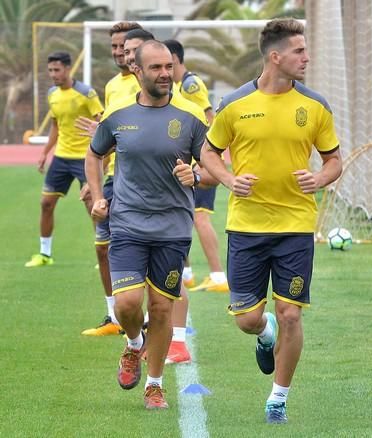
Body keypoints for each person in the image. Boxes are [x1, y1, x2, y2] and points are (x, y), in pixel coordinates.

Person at [200, 18, 342, 424]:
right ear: (275, 57)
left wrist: (318, 178)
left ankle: (277, 398)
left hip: (296, 226)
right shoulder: (234, 105)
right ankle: (264, 336)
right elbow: (209, 153)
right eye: (299, 51)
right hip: (246, 227)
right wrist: (228, 178)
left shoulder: (315, 106)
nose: (307, 57)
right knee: (247, 319)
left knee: (291, 314)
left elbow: (334, 160)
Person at [85, 40, 208, 409]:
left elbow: (216, 166)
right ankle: (134, 342)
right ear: (137, 71)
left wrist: (197, 174)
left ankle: (154, 384)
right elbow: (93, 154)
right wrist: (97, 195)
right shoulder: (118, 116)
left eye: (168, 67)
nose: (165, 74)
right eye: (155, 68)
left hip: (173, 229)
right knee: (126, 305)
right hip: (127, 224)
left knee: (160, 308)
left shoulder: (190, 116)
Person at [162, 38, 224, 365]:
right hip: (193, 164)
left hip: (200, 164)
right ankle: (188, 274)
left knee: (200, 219)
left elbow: (208, 120)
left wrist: (204, 162)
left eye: (165, 63)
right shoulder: (178, 87)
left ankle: (218, 276)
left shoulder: (190, 85)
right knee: (189, 219)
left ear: (174, 59)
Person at [80, 21, 143, 337]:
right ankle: (114, 316)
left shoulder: (151, 83)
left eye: (126, 48)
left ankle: (158, 323)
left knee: (148, 246)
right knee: (103, 248)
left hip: (144, 179)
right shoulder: (113, 86)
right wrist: (93, 180)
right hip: (113, 176)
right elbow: (105, 137)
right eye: (117, 48)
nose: (121, 53)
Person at [24, 52, 103, 268]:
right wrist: (44, 152)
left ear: (68, 69)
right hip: (61, 157)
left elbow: (102, 123)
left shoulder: (86, 93)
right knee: (46, 203)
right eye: (50, 70)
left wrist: (101, 152)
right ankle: (45, 254)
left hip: (84, 158)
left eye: (57, 70)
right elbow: (55, 126)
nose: (53, 75)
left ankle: (104, 249)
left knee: (92, 205)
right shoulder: (52, 93)